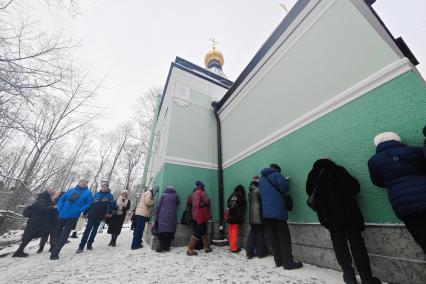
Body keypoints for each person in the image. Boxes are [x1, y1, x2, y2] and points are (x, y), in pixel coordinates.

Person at [307, 159, 381, 284]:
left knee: (339, 245)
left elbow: (310, 194)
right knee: (357, 244)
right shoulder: (338, 170)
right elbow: (354, 187)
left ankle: (348, 276)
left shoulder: (312, 176)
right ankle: (366, 277)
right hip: (348, 216)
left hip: (329, 219)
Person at [368, 132, 426, 253]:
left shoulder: (374, 161)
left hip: (403, 205)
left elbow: (377, 182)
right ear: (397, 140)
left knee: (422, 237)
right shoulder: (415, 151)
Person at [259, 163, 302, 270]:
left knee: (274, 237)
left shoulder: (261, 179)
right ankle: (288, 263)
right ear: (277, 170)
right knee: (284, 237)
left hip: (267, 213)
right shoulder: (277, 175)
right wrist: (285, 181)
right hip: (278, 211)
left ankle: (278, 261)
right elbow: (285, 188)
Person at [50, 179, 93, 260]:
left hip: (73, 216)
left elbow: (89, 203)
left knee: (65, 234)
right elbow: (62, 199)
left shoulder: (88, 193)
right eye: (82, 181)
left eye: (86, 182)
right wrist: (59, 209)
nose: (84, 183)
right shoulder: (71, 190)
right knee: (56, 232)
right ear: (79, 183)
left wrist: (80, 209)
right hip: (62, 214)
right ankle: (55, 246)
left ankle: (55, 252)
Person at [13, 188, 56, 257]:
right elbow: (41, 209)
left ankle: (19, 251)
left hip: (37, 222)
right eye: (53, 195)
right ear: (50, 194)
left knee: (29, 237)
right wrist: (53, 208)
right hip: (35, 222)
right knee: (28, 237)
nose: (53, 196)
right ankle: (18, 252)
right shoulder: (42, 200)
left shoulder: (44, 199)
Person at [76, 183, 115, 253]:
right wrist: (85, 213)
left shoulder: (110, 196)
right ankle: (81, 247)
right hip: (91, 215)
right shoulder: (96, 194)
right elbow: (90, 204)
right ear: (101, 187)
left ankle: (89, 244)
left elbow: (112, 205)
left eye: (106, 187)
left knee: (94, 231)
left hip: (100, 216)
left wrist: (109, 212)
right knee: (87, 230)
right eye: (103, 186)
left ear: (108, 188)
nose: (105, 188)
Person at [186, 181, 212, 256]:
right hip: (202, 214)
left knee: (203, 229)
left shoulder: (193, 193)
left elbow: (190, 202)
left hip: (195, 214)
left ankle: (207, 247)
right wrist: (202, 204)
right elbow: (208, 201)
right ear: (202, 186)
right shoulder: (202, 193)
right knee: (198, 230)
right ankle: (190, 249)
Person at [245, 176, 268, 259]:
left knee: (252, 233)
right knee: (260, 234)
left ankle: (249, 252)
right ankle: (260, 253)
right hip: (259, 216)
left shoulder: (250, 191)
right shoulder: (258, 190)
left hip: (251, 217)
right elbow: (264, 200)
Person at [155, 185, 180, 253]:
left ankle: (161, 247)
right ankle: (167, 247)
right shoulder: (175, 195)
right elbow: (178, 202)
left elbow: (159, 205)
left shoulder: (164, 195)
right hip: (172, 214)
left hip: (163, 214)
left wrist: (156, 212)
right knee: (170, 230)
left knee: (163, 230)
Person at [226, 184, 246, 253]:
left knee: (231, 230)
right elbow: (243, 206)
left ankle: (231, 245)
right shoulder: (240, 196)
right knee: (234, 231)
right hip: (236, 216)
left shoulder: (231, 195)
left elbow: (228, 203)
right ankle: (234, 248)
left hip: (230, 216)